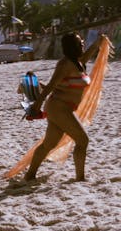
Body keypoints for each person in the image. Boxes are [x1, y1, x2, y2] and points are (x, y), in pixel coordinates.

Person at [22, 32, 101, 182]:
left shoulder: (78, 63)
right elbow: (50, 85)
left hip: (63, 108)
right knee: (83, 140)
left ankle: (30, 175)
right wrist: (36, 107)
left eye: (82, 42)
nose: (82, 44)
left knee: (48, 144)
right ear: (72, 47)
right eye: (79, 43)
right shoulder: (65, 64)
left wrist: (97, 44)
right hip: (59, 107)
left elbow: (86, 57)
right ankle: (80, 178)